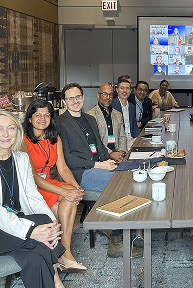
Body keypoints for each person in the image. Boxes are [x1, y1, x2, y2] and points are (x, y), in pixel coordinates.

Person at [56, 83, 123, 258]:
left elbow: (100, 148)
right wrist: (100, 166)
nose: (75, 101)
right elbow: (68, 159)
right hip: (79, 173)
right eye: (70, 98)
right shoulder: (60, 123)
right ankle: (116, 241)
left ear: (84, 98)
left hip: (99, 167)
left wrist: (109, 161)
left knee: (127, 174)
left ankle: (115, 225)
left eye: (78, 97)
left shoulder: (90, 119)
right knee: (118, 183)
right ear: (64, 101)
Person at [0, 110, 66, 288]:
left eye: (11, 128)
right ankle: (56, 279)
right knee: (39, 241)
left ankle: (54, 280)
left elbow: (32, 195)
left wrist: (52, 224)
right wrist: (31, 232)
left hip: (14, 222)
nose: (5, 134)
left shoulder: (21, 159)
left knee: (35, 259)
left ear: (18, 131)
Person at [22, 99, 87, 273]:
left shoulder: (54, 137)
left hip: (48, 182)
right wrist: (64, 191)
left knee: (71, 198)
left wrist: (75, 187)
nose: (43, 118)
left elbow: (63, 168)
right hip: (31, 185)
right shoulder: (23, 140)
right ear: (29, 118)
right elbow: (32, 177)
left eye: (47, 115)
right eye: (38, 115)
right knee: (69, 198)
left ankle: (62, 253)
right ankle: (65, 254)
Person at [86, 84, 127, 155]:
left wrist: (121, 152)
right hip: (101, 155)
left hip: (118, 153)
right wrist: (111, 154)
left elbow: (122, 136)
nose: (108, 97)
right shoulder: (90, 115)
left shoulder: (117, 114)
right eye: (104, 94)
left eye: (111, 94)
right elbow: (94, 141)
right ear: (98, 96)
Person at [111, 75, 134, 147]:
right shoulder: (111, 105)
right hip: (119, 141)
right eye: (122, 88)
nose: (125, 91)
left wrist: (137, 137)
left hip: (132, 139)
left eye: (127, 88)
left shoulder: (132, 106)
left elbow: (134, 126)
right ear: (117, 90)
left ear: (130, 91)